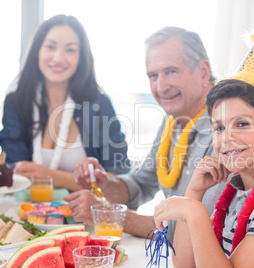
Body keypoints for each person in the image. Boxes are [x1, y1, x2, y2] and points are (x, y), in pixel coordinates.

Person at [153, 26, 254, 267]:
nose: (226, 138)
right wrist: (194, 195)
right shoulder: (239, 192)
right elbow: (185, 265)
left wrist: (194, 213)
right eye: (218, 128)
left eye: (241, 124)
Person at [64, 26, 227, 240]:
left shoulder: (227, 126)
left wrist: (107, 215)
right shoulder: (173, 119)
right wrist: (105, 183)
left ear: (203, 72)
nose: (160, 87)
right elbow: (141, 185)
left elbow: (195, 228)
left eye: (171, 71)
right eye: (153, 75)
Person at [0, 14, 130, 192]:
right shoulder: (17, 103)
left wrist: (47, 174)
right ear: (38, 50)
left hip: (87, 217)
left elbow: (119, 180)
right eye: (50, 47)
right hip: (25, 213)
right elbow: (15, 174)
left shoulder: (99, 105)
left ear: (81, 57)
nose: (59, 58)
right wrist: (74, 180)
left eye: (70, 50)